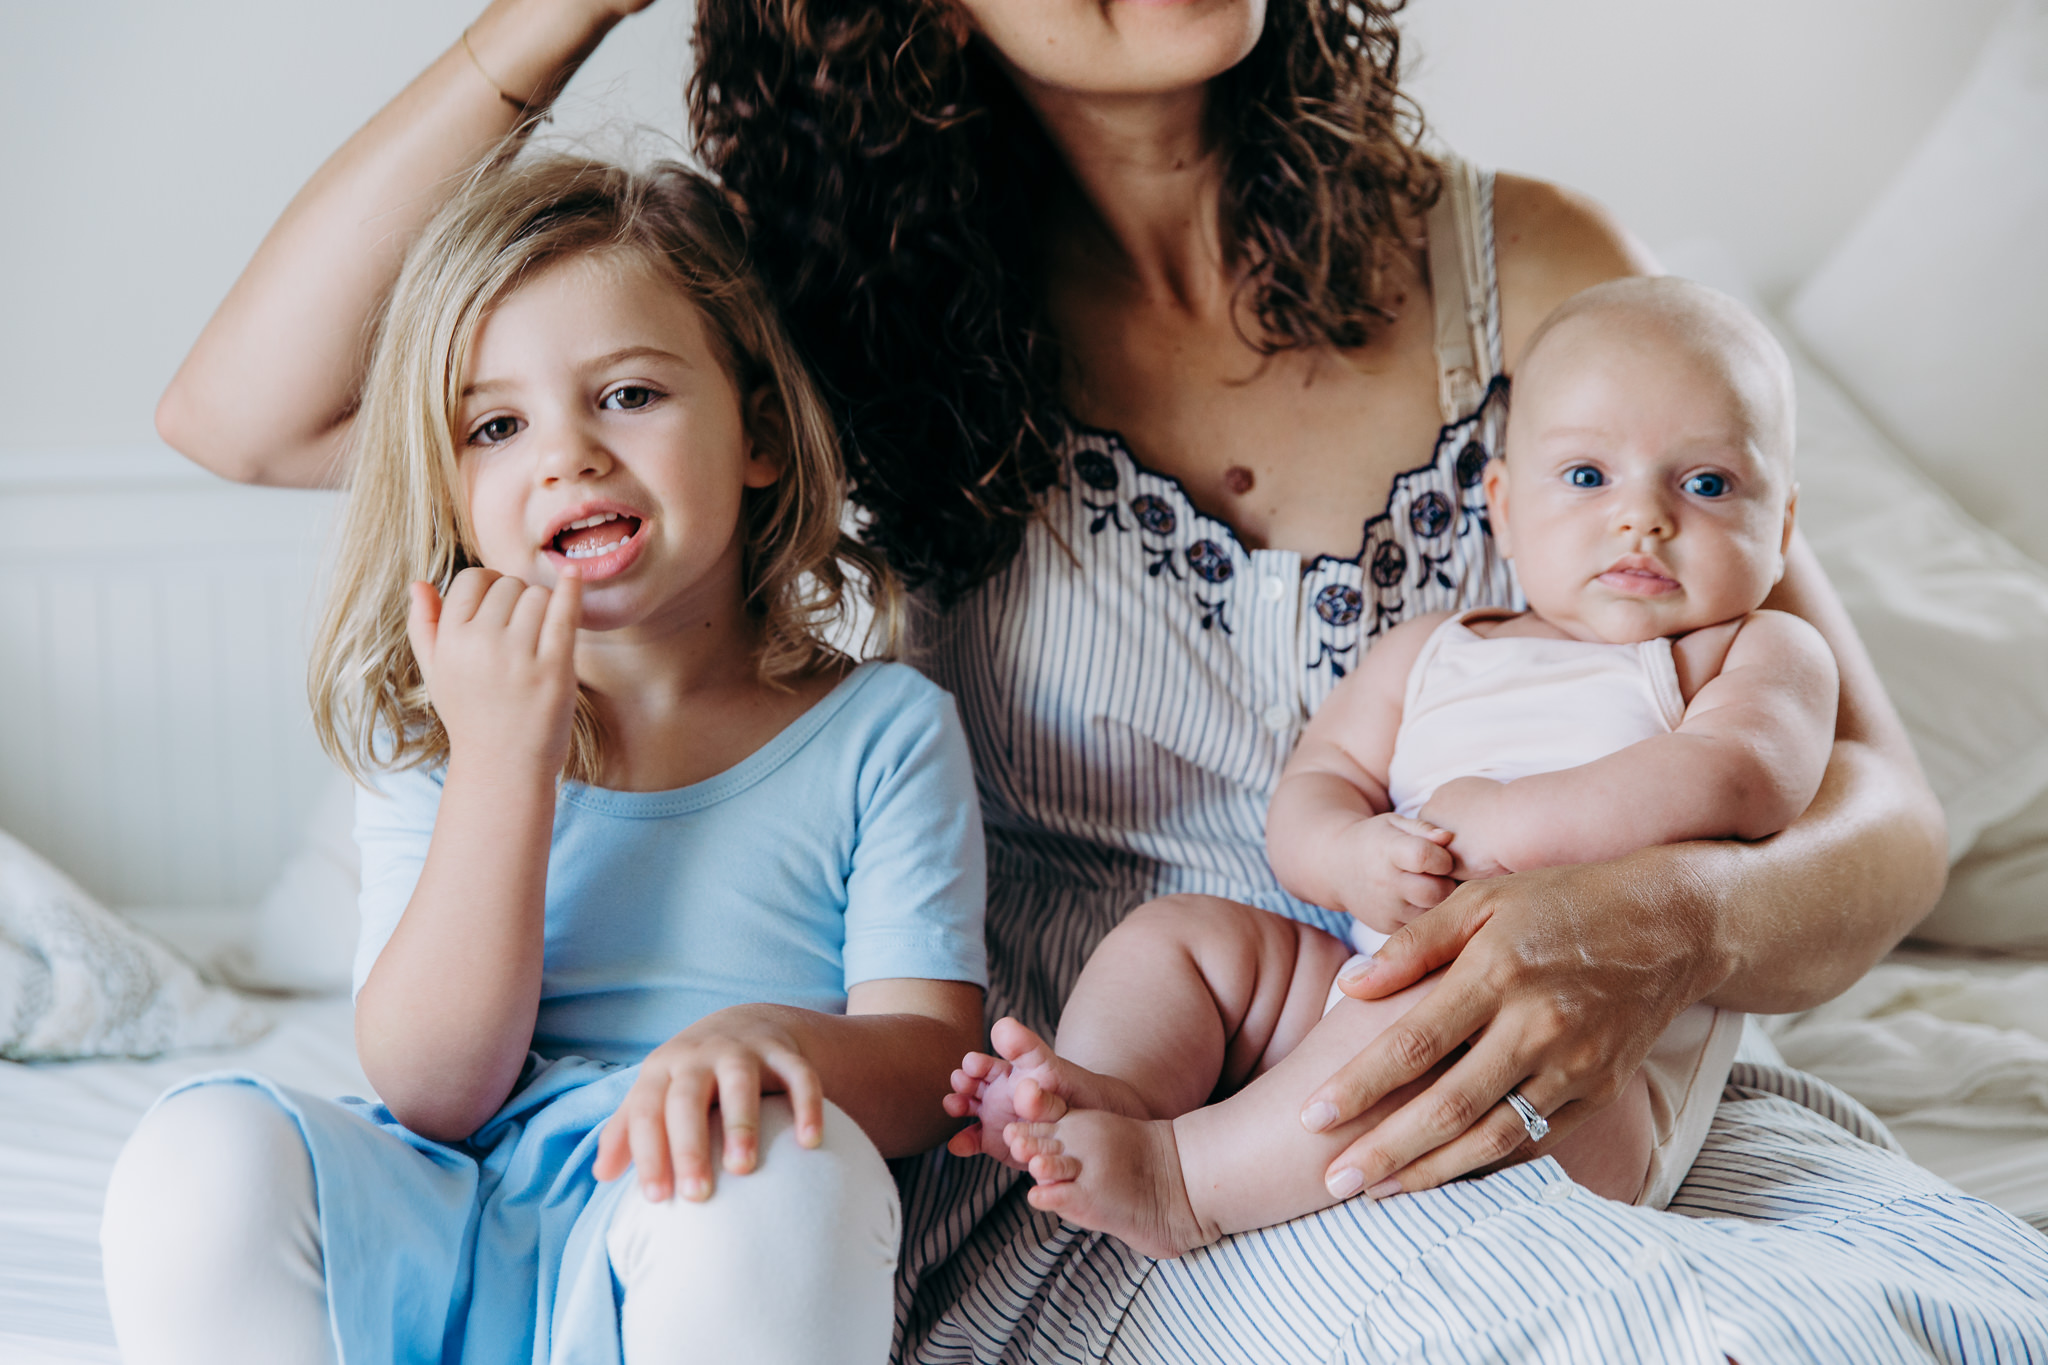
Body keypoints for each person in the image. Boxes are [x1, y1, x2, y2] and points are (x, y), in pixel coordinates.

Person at [152, 1, 2048, 1358]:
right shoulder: (845, 326)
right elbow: (246, 417)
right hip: (1117, 1108)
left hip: (1555, 1026)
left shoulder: (1528, 271)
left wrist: (1656, 924)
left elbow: (1874, 821)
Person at [101, 154, 988, 1365]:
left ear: (759, 437)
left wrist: (775, 1047)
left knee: (785, 1169)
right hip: (456, 1210)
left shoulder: (880, 730)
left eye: (627, 394)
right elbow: (432, 1090)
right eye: (497, 425)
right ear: (456, 496)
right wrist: (502, 766)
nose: (566, 455)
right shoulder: (437, 740)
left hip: (699, 1199)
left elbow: (931, 1055)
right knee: (197, 1159)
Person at [944, 276, 1839, 1256]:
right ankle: (1102, 1096)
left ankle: (1183, 1183)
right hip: (1365, 982)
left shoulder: (1745, 651)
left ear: (1782, 526)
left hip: (1575, 1082)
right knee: (1179, 940)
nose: (1642, 519)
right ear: (1499, 503)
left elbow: (1739, 775)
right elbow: (1314, 788)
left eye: (1703, 484)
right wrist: (1352, 856)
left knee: (1453, 997)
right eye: (1586, 476)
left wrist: (1503, 824)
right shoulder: (1433, 649)